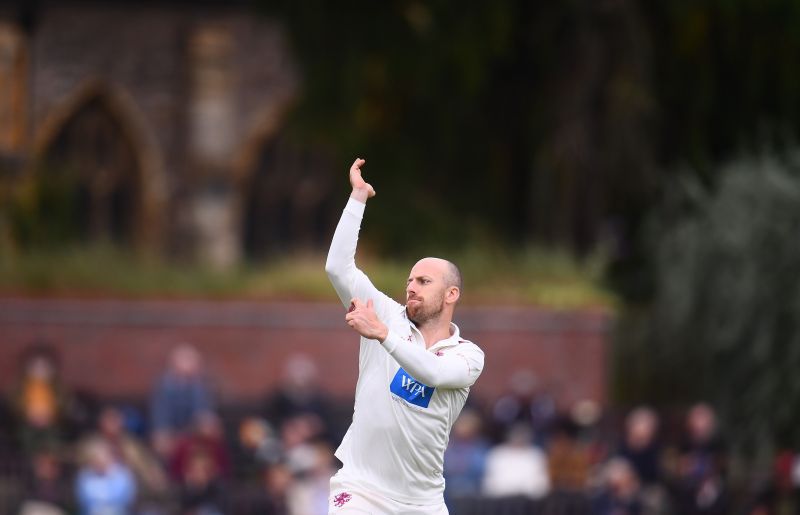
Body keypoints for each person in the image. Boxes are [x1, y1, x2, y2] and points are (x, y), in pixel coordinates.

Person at [324, 158, 485, 514]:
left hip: (421, 501)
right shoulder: (386, 315)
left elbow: (434, 374)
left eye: (424, 282)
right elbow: (338, 268)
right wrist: (357, 198)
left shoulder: (468, 355)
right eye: (410, 280)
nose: (411, 287)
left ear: (451, 295)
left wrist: (382, 336)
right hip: (360, 489)